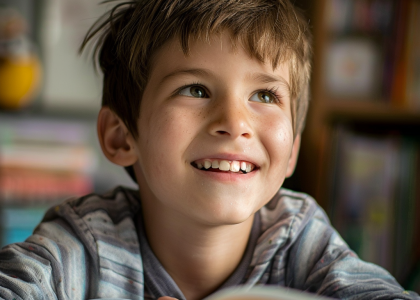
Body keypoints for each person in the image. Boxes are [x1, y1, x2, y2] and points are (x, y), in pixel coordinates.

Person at [0, 0, 418, 299]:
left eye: (265, 96)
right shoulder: (85, 243)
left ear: (291, 152)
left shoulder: (298, 237)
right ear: (121, 136)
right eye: (195, 90)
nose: (235, 123)